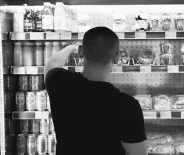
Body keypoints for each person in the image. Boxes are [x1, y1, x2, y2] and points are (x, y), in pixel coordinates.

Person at [45, 27, 147, 155]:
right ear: (117, 57)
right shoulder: (128, 106)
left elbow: (52, 62)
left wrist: (71, 47)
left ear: (81, 52)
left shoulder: (59, 83)